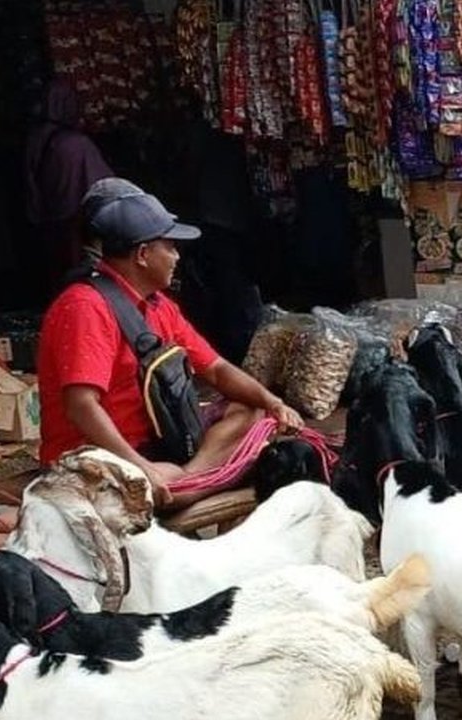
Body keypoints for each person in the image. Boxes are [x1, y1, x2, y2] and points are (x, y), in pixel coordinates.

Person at [37, 180, 303, 507]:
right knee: (240, 447)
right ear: (144, 255)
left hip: (155, 444)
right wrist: (139, 466)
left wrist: (274, 402)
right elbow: (81, 406)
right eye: (171, 247)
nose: (177, 257)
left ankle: (185, 480)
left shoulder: (159, 305)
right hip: (96, 458)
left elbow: (217, 370)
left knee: (251, 410)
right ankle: (183, 484)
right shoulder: (84, 306)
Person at [24, 77, 114, 297]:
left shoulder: (36, 139)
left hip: (51, 224)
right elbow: (107, 189)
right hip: (77, 227)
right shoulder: (76, 144)